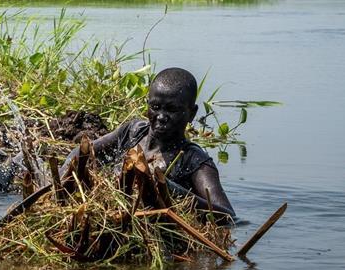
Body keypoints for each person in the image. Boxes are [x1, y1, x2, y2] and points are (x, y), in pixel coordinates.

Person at [86, 67, 236, 222]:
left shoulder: (194, 161)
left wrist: (169, 188)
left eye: (172, 110)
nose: (161, 117)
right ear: (147, 105)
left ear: (192, 113)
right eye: (155, 107)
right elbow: (82, 153)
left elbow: (228, 216)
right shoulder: (133, 132)